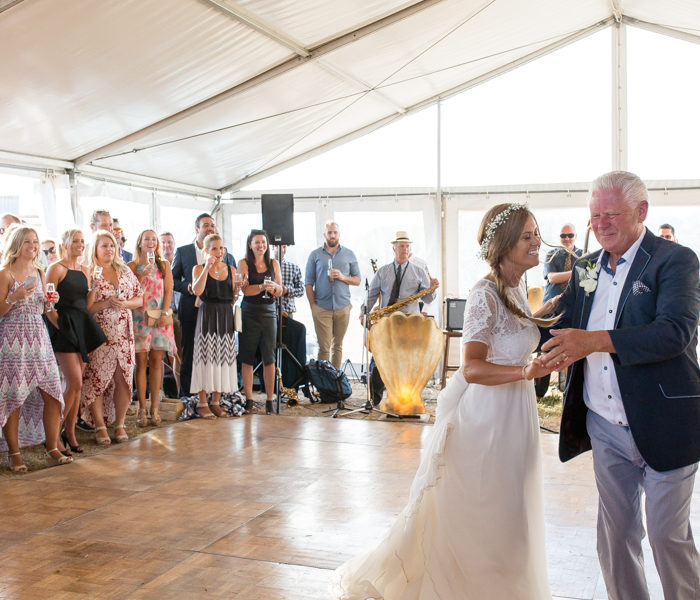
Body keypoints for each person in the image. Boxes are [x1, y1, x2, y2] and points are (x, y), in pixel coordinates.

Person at [333, 204, 556, 599]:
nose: (538, 241)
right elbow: (471, 368)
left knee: (514, 509)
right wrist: (526, 373)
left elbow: (514, 332)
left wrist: (551, 311)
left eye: (537, 233)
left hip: (516, 415)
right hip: (488, 420)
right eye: (528, 236)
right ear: (504, 245)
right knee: (489, 512)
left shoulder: (517, 288)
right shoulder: (484, 294)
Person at [541, 171, 700, 600]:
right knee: (615, 536)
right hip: (604, 424)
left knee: (668, 537)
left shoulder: (676, 260)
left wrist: (594, 342)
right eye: (595, 215)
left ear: (641, 211)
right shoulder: (585, 267)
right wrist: (509, 315)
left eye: (611, 214)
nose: (601, 224)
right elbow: (563, 323)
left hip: (666, 421)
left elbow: (674, 332)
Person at [0, 226, 72, 470]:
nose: (33, 246)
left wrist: (52, 303)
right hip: (13, 339)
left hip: (39, 337)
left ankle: (52, 446)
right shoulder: (5, 273)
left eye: (35, 241)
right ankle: (14, 452)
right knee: (15, 395)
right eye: (27, 242)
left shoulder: (40, 271)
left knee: (52, 391)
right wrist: (14, 297)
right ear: (17, 244)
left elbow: (46, 310)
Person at [46, 229, 106, 454]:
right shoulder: (56, 268)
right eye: (75, 241)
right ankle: (54, 434)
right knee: (75, 383)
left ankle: (70, 432)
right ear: (65, 243)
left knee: (77, 385)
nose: (80, 245)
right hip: (64, 326)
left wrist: (94, 289)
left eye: (82, 241)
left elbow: (87, 303)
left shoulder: (86, 270)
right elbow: (48, 303)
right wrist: (60, 326)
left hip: (83, 324)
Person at [362, 231, 439, 406]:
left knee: (407, 360)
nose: (405, 250)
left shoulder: (419, 272)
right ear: (394, 249)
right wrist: (364, 313)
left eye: (407, 247)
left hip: (410, 322)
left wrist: (432, 289)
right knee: (380, 358)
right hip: (386, 320)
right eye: (401, 246)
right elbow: (372, 294)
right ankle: (374, 399)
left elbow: (427, 299)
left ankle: (404, 399)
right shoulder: (383, 271)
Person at [81, 231, 142, 445]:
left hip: (124, 333)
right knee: (98, 379)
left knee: (123, 380)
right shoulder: (89, 272)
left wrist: (124, 304)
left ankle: (120, 424)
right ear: (95, 249)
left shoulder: (124, 270)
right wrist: (106, 302)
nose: (109, 250)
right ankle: (99, 425)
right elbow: (86, 308)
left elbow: (139, 297)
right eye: (104, 246)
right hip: (100, 333)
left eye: (112, 246)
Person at [172, 213, 235, 397]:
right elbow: (174, 279)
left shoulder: (225, 254)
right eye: (205, 225)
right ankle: (188, 396)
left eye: (212, 225)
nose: (210, 228)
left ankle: (214, 396)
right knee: (191, 353)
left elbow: (230, 280)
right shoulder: (184, 251)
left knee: (216, 355)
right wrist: (189, 287)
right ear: (196, 229)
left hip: (218, 310)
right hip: (191, 308)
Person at [129, 230, 177, 426]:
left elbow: (168, 290)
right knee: (141, 362)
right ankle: (142, 408)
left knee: (157, 360)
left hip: (158, 317)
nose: (150, 242)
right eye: (146, 239)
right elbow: (129, 291)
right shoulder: (131, 266)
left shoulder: (163, 264)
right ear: (140, 242)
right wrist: (140, 276)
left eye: (153, 239)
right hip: (140, 317)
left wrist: (165, 313)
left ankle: (155, 408)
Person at [190, 233, 240, 418]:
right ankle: (202, 402)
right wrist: (207, 267)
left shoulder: (232, 269)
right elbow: (197, 290)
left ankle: (216, 401)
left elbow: (233, 298)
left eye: (221, 248)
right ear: (206, 251)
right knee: (205, 357)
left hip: (225, 315)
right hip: (207, 314)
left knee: (222, 357)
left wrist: (237, 290)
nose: (219, 252)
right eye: (214, 249)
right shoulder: (198, 268)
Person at [238, 229, 283, 415]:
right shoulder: (243, 263)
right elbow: (246, 291)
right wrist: (262, 287)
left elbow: (280, 291)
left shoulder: (274, 263)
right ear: (250, 245)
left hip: (269, 313)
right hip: (249, 313)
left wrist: (274, 288)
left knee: (269, 358)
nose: (260, 246)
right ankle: (248, 399)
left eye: (263, 242)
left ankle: (270, 400)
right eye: (257, 242)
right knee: (247, 357)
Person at [305, 221, 360, 369]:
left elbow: (357, 280)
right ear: (324, 235)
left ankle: (335, 383)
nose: (332, 235)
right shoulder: (315, 255)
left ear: (339, 234)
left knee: (338, 346)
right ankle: (324, 385)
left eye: (335, 232)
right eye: (329, 232)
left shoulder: (349, 254)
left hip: (343, 307)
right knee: (324, 348)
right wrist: (313, 306)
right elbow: (308, 282)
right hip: (322, 308)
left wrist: (343, 277)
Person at [276, 244, 307, 389]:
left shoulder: (293, 267)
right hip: (268, 313)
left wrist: (287, 290)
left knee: (288, 348)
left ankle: (288, 382)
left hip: (287, 312)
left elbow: (301, 290)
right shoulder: (263, 266)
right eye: (277, 247)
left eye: (283, 247)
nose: (281, 249)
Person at [159, 231, 182, 391]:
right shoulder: (156, 264)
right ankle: (159, 392)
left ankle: (182, 391)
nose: (167, 245)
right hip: (162, 313)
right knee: (159, 355)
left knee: (178, 354)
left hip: (179, 313)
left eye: (169, 242)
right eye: (164, 242)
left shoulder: (180, 261)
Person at [543, 223, 583, 302]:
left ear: (576, 236)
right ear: (559, 237)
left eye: (570, 235)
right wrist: (578, 271)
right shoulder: (551, 254)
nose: (567, 238)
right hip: (552, 304)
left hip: (574, 303)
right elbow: (552, 278)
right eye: (563, 236)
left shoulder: (584, 255)